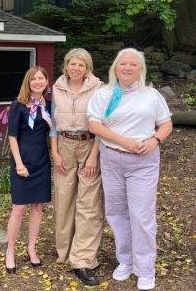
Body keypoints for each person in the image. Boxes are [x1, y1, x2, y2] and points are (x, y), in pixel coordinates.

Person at [87, 48, 172, 291]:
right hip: (112, 159)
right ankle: (126, 260)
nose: (127, 67)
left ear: (140, 69)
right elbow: (94, 124)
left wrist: (155, 140)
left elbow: (166, 124)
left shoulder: (151, 95)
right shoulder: (104, 94)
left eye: (132, 64)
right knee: (116, 213)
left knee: (142, 216)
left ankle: (145, 269)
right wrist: (123, 142)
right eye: (122, 63)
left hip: (143, 163)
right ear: (115, 67)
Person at [49, 48, 103, 286]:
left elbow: (103, 123)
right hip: (64, 145)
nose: (76, 68)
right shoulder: (57, 87)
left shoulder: (99, 89)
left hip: (89, 143)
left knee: (88, 203)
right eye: (73, 64)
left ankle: (83, 259)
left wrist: (94, 155)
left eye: (81, 65)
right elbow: (52, 123)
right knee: (64, 198)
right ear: (66, 66)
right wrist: (55, 152)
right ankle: (65, 252)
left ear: (87, 67)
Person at [5, 65, 52, 274]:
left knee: (37, 208)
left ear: (46, 82)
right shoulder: (18, 105)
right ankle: (10, 250)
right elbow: (12, 136)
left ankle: (31, 248)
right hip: (22, 160)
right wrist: (19, 163)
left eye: (41, 78)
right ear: (28, 82)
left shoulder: (49, 105)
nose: (37, 82)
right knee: (19, 208)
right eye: (34, 79)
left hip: (42, 161)